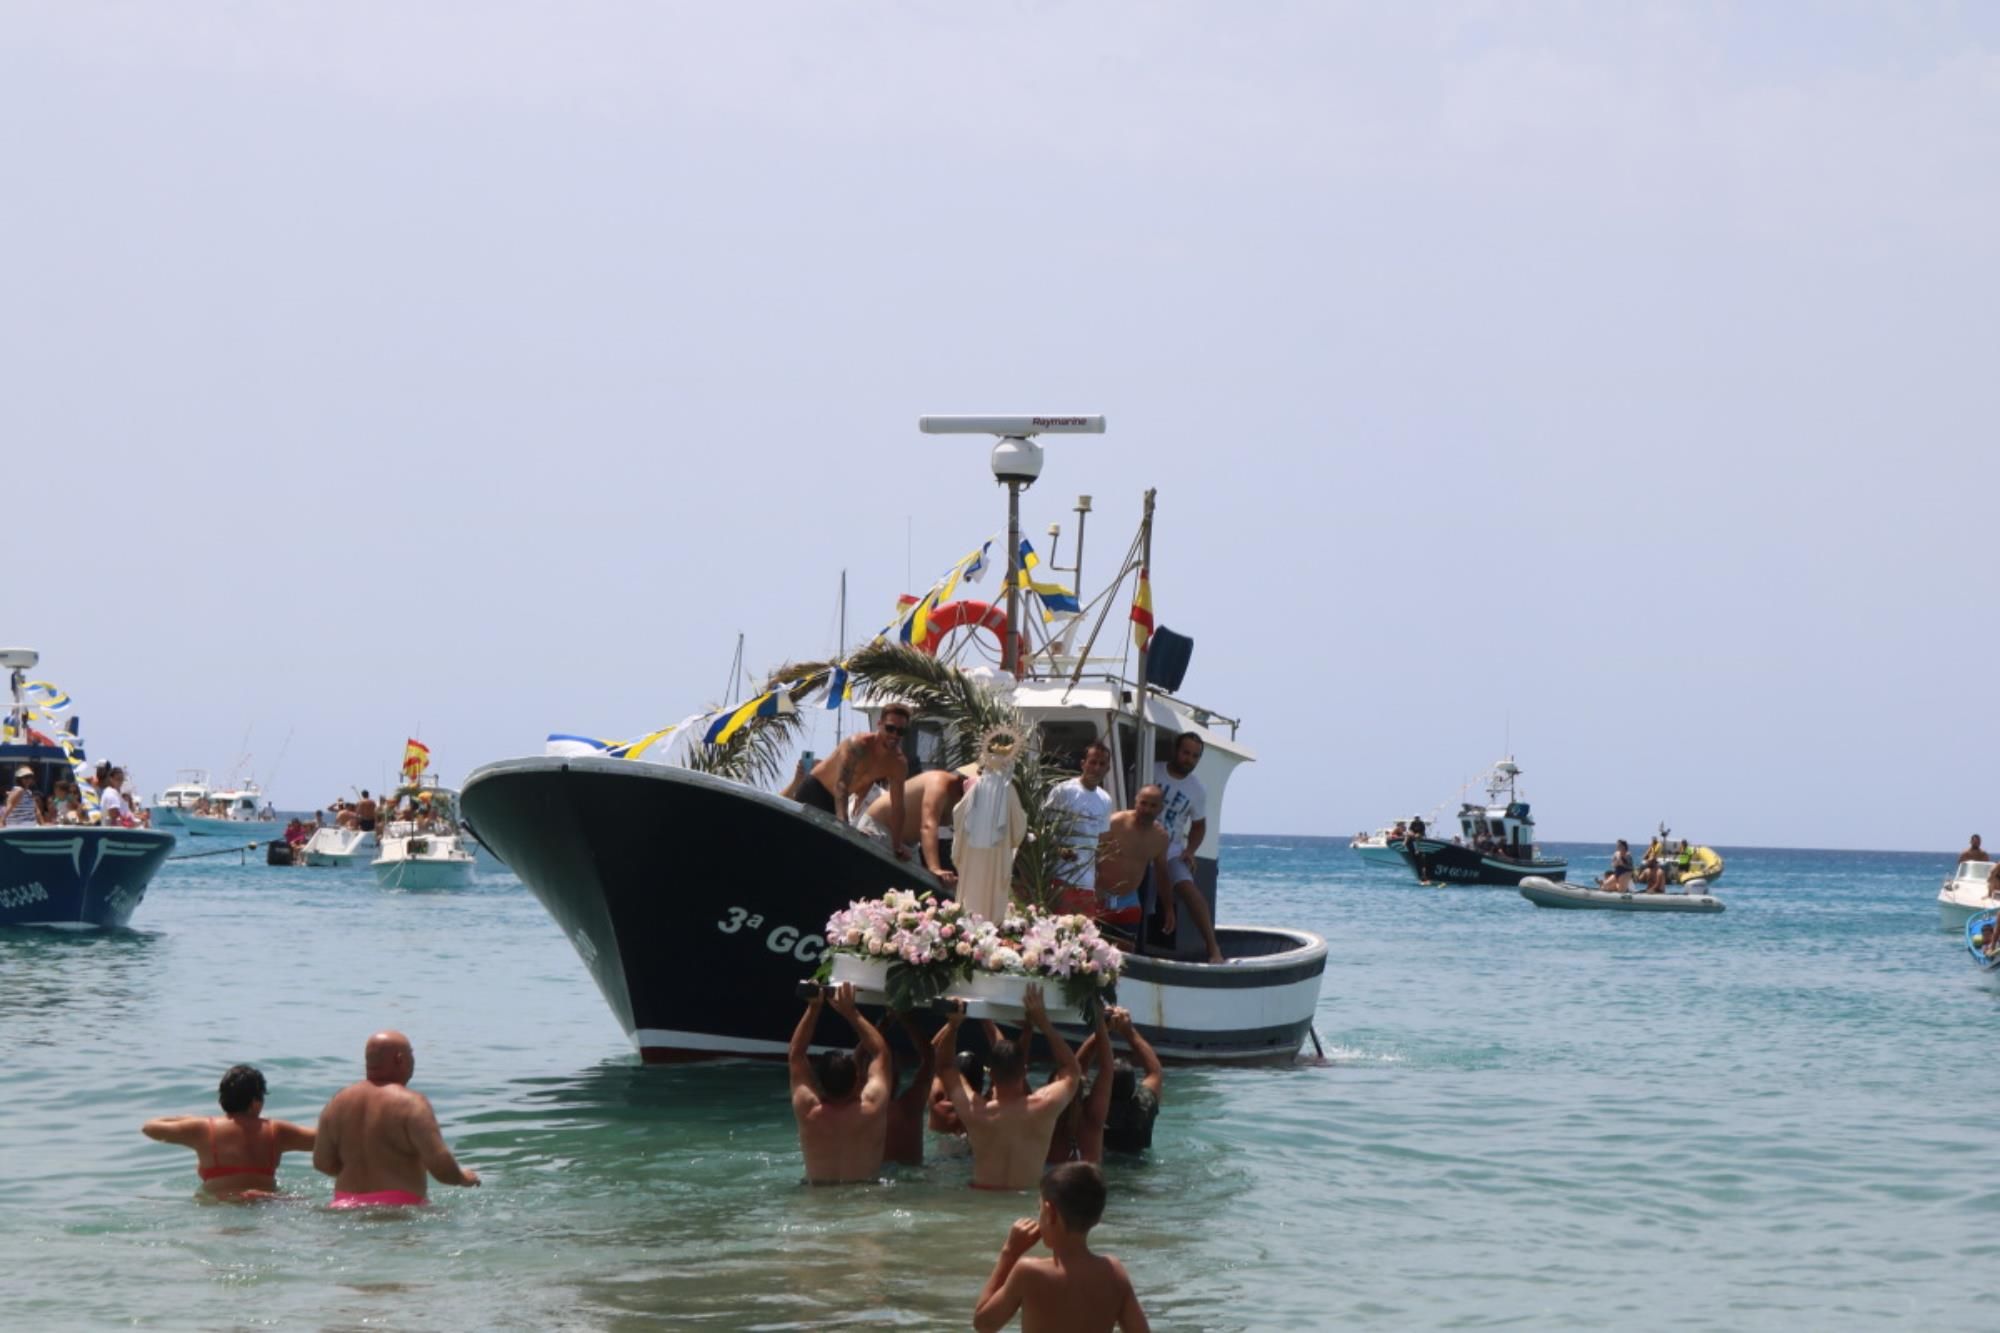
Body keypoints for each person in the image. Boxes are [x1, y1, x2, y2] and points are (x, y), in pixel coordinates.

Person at [972, 1162, 1151, 1333]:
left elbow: (983, 1323)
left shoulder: (1029, 1272)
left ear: (1050, 1213)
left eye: (1039, 1209)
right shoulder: (1114, 1272)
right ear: (1097, 1217)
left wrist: (1009, 1253)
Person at [933, 987, 1079, 1190]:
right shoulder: (1044, 1106)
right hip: (1025, 1206)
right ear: (1025, 1071)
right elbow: (1071, 1070)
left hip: (980, 1203)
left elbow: (945, 1067)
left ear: (990, 1073)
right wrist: (1043, 1023)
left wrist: (953, 1025)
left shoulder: (976, 1112)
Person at [313, 1030, 480, 1207]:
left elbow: (322, 1162)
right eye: (412, 1053)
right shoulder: (411, 1103)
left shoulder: (337, 1102)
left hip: (343, 1205)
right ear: (400, 1059)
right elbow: (440, 1166)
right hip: (398, 1209)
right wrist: (463, 1178)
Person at [142, 1064, 317, 1200]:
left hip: (219, 1203)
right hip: (267, 1202)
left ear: (222, 1100)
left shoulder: (203, 1129)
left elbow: (149, 1127)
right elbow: (321, 1139)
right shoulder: (276, 1130)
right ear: (256, 1102)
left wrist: (187, 1119)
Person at [787, 981, 893, 1184]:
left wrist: (813, 1007)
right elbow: (881, 1054)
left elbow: (796, 1055)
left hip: (817, 1201)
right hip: (865, 1199)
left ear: (818, 1084)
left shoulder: (808, 1110)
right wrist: (851, 1012)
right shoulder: (871, 1106)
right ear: (857, 1081)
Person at [1147, 732, 1225, 962]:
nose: (1188, 759)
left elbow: (1199, 826)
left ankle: (1213, 950)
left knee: (1190, 891)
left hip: (1171, 849)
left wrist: (1190, 850)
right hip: (1142, 844)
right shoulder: (1152, 769)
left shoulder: (1197, 790)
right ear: (1176, 750)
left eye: (1194, 756)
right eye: (1185, 752)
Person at [797, 705, 911, 858]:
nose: (895, 735)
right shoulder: (858, 745)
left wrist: (897, 845)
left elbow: (898, 807)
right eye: (890, 728)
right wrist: (845, 826)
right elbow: (841, 785)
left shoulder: (898, 764)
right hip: (815, 791)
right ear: (879, 724)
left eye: (900, 731)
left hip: (837, 804)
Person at [1092, 787, 1178, 937]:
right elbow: (1090, 854)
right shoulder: (1115, 822)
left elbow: (1162, 875)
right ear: (1136, 802)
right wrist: (1092, 888)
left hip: (1129, 900)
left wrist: (1168, 909)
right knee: (1091, 951)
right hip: (1099, 896)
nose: (1147, 809)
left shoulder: (1160, 838)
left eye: (1153, 806)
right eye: (1143, 803)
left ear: (1161, 808)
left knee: (1125, 953)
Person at [857, 767, 966, 884]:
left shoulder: (972, 801)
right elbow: (928, 825)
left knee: (912, 893)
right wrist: (935, 869)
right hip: (879, 830)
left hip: (909, 848)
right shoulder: (938, 782)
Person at [1046, 741, 1116, 917]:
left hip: (1087, 883)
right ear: (1083, 763)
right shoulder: (1064, 790)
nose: (1096, 768)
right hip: (1060, 878)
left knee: (1084, 938)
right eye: (1092, 762)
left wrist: (1099, 883)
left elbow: (1101, 842)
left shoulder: (1105, 799)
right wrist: (1058, 849)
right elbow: (1043, 829)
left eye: (1102, 764)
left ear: (1107, 769)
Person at [1046, 1005, 1115, 1165]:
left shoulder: (1041, 1118)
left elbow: (1078, 1069)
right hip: (1085, 1185)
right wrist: (1100, 1025)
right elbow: (1107, 1069)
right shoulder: (1092, 1121)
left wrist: (1037, 1025)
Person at [1101, 1007, 1165, 1154]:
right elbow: (1155, 1072)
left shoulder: (1093, 1109)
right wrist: (1128, 1030)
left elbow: (1077, 1071)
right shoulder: (1142, 1110)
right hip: (1139, 1169)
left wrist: (1102, 1029)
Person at [883, 1013, 939, 1167]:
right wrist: (905, 1017)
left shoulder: (864, 1105)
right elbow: (929, 1057)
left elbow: (858, 1057)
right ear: (899, 1072)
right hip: (912, 1174)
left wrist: (884, 1023)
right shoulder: (911, 1106)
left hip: (877, 1176)